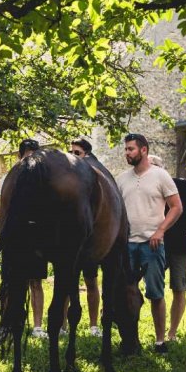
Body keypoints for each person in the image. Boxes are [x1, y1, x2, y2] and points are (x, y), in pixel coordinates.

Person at [116, 133, 182, 353]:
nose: (127, 153)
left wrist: (160, 231)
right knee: (126, 294)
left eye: (131, 149)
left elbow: (176, 207)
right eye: (126, 149)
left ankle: (160, 341)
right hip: (127, 246)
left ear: (143, 150)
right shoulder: (122, 179)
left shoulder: (160, 176)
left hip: (152, 245)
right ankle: (130, 340)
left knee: (155, 293)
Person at [0, 139, 50, 339]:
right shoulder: (8, 178)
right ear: (21, 156)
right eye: (28, 155)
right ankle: (7, 324)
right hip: (14, 236)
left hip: (35, 236)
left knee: (36, 282)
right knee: (9, 282)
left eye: (34, 155)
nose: (31, 159)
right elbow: (4, 209)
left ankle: (37, 326)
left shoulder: (43, 180)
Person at [69, 138, 102, 337]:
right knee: (66, 284)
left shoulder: (92, 176)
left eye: (77, 153)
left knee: (91, 282)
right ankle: (64, 325)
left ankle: (93, 324)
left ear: (87, 154)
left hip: (89, 240)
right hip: (71, 240)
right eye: (71, 153)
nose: (74, 157)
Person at [163, 177, 186, 340]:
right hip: (157, 245)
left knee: (179, 289)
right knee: (152, 289)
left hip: (182, 245)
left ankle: (172, 332)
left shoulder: (182, 185)